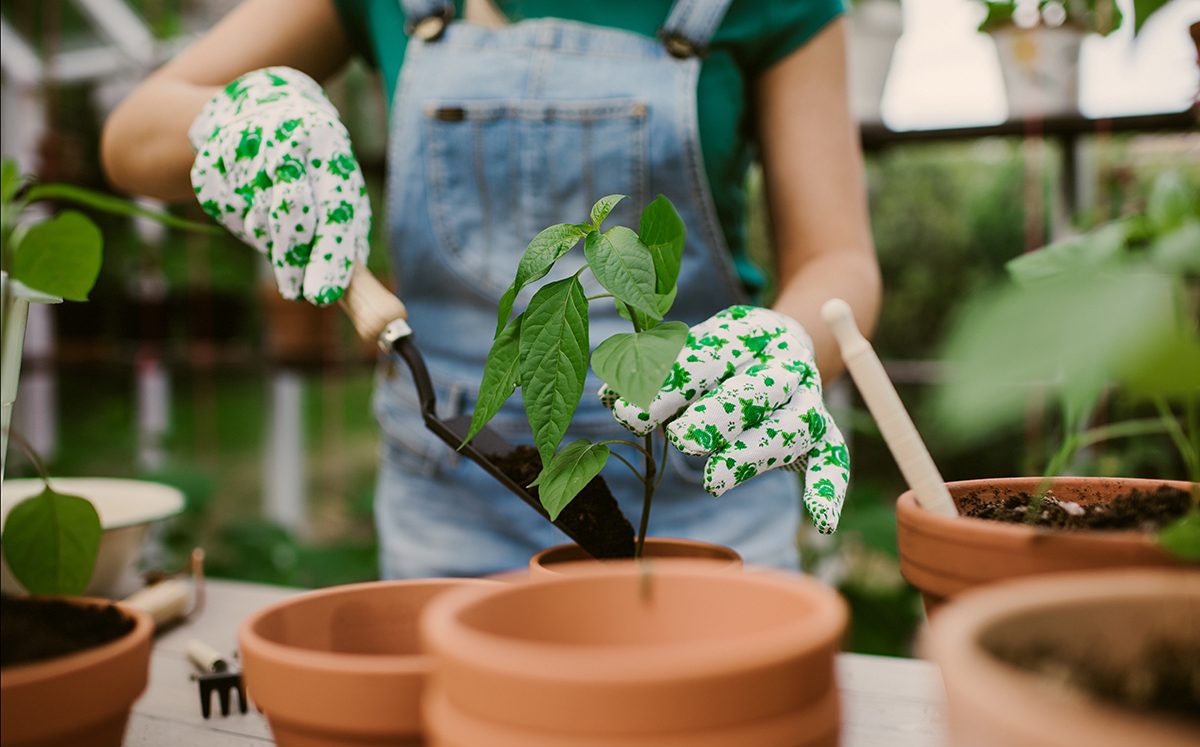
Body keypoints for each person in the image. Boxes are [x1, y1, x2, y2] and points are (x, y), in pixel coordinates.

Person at [101, 0, 882, 578]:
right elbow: (134, 137)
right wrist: (233, 119)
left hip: (700, 495)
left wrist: (787, 349)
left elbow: (838, 258)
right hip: (452, 502)